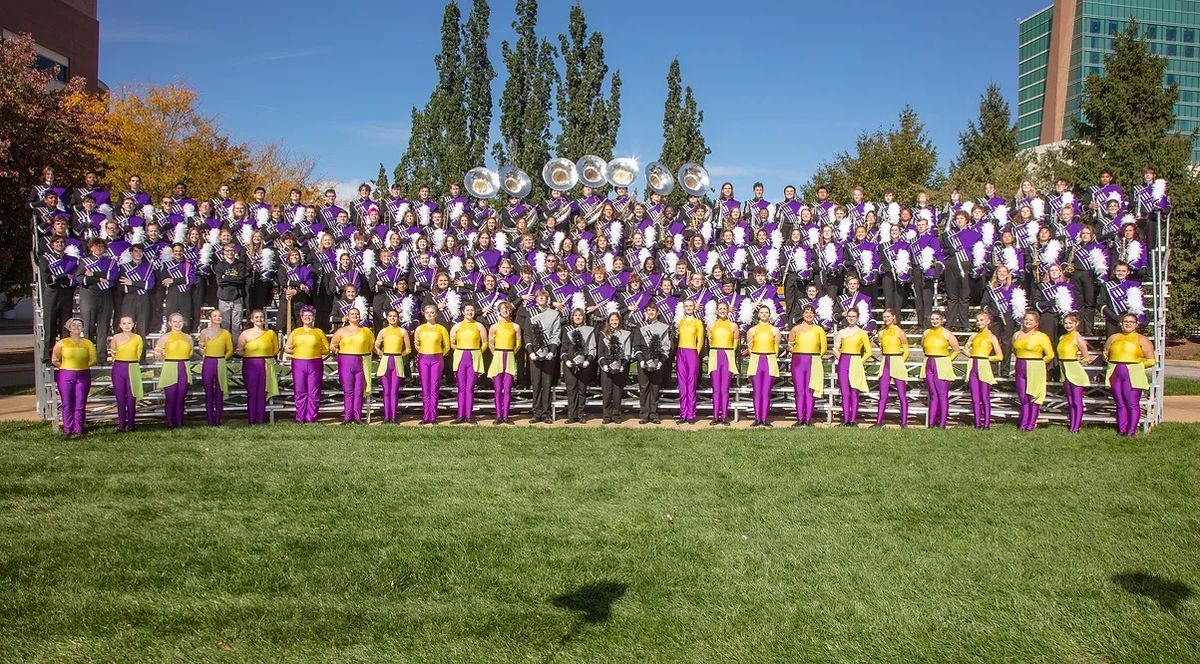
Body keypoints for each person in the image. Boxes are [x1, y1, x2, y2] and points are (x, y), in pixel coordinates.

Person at [1104, 313, 1156, 436]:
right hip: (1115, 372)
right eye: (1125, 321)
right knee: (1120, 403)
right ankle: (1121, 430)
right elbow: (1106, 352)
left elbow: (1151, 360)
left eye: (1131, 322)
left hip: (1132, 374)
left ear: (1136, 324)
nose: (1128, 324)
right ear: (1121, 323)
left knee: (1132, 403)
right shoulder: (1114, 337)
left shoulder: (1142, 339)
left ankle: (1131, 431)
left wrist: (1136, 366)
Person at [330, 306, 374, 425]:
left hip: (361, 360)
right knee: (348, 390)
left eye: (357, 314)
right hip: (346, 361)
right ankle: (347, 416)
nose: (355, 315)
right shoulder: (341, 331)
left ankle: (358, 416)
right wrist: (340, 353)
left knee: (359, 390)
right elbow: (333, 345)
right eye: (352, 314)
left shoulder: (367, 331)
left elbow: (371, 346)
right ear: (348, 317)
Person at [51, 318, 95, 436]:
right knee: (67, 403)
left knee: (80, 403)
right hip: (66, 374)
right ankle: (67, 429)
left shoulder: (88, 343)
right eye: (73, 325)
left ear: (83, 328)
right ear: (69, 328)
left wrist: (82, 367)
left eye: (79, 325)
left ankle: (79, 429)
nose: (76, 327)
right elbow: (54, 359)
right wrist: (65, 367)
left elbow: (93, 359)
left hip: (83, 374)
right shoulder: (62, 343)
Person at [285, 305, 329, 423]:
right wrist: (298, 349)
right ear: (301, 317)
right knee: (300, 390)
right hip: (299, 362)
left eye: (310, 316)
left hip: (314, 362)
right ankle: (300, 417)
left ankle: (311, 417)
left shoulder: (318, 332)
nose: (307, 318)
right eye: (305, 316)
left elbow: (326, 349)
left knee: (313, 391)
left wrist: (315, 350)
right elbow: (287, 348)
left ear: (313, 317)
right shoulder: (296, 332)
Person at [1012, 311, 1055, 431]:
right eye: (1026, 319)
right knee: (1023, 396)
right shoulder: (1017, 334)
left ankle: (1031, 423)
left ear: (1036, 323)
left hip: (1035, 365)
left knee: (1033, 395)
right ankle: (1023, 423)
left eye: (1031, 320)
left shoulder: (1042, 336)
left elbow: (1050, 355)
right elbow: (1015, 351)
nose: (1028, 322)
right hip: (1020, 364)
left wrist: (1039, 364)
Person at [237, 309, 280, 425]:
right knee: (252, 393)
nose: (259, 319)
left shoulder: (270, 333)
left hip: (265, 364)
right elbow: (240, 350)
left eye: (261, 317)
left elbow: (275, 350)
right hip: (250, 365)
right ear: (252, 320)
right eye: (256, 317)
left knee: (262, 393)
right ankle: (251, 419)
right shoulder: (245, 334)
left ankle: (260, 419)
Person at [633, 301, 672, 424]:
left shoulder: (663, 326)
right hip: (643, 361)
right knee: (644, 388)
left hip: (657, 361)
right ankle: (644, 415)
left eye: (653, 310)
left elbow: (666, 346)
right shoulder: (640, 326)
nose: (651, 312)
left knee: (655, 388)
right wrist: (641, 361)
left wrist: (661, 361)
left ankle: (654, 414)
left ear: (657, 312)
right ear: (646, 312)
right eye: (649, 310)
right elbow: (636, 345)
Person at [920, 312, 961, 429]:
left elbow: (956, 350)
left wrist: (947, 361)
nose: (934, 321)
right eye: (932, 319)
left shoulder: (947, 333)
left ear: (942, 320)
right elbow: (924, 346)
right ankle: (931, 423)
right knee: (932, 394)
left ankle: (942, 423)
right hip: (929, 363)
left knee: (942, 394)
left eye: (937, 319)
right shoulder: (926, 332)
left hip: (942, 364)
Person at [788, 305, 826, 427]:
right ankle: (799, 419)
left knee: (810, 390)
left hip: (813, 359)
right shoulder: (796, 329)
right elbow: (790, 344)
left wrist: (816, 357)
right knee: (799, 390)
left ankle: (808, 419)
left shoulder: (819, 329)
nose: (809, 315)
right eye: (806, 312)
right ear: (802, 314)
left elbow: (824, 348)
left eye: (811, 313)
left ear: (814, 315)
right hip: (798, 360)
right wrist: (793, 350)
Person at [832, 307, 872, 426]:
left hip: (855, 360)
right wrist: (841, 358)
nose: (851, 318)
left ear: (857, 318)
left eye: (854, 316)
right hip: (844, 360)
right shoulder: (841, 332)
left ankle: (853, 419)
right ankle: (846, 420)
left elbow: (869, 351)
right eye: (849, 316)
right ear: (846, 317)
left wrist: (860, 362)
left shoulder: (862, 333)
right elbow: (835, 348)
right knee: (844, 392)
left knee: (854, 391)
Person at [964, 310, 1003, 430]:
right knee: (975, 397)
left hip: (984, 366)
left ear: (988, 321)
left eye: (982, 320)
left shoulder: (991, 337)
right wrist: (968, 354)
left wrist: (986, 358)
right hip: (973, 366)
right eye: (977, 320)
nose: (979, 322)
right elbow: (965, 348)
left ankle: (986, 423)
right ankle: (977, 423)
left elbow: (1000, 356)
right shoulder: (974, 336)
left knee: (984, 396)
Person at [154, 312, 194, 429]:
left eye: (180, 321)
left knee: (181, 398)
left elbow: (190, 352)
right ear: (170, 323)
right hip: (170, 367)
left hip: (183, 367)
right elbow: (157, 353)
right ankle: (170, 423)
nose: (178, 324)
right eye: (175, 321)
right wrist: (166, 359)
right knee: (170, 398)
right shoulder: (165, 337)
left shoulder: (188, 337)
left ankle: (180, 422)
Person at [450, 303, 488, 424]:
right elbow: (452, 343)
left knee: (470, 388)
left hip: (474, 357)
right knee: (461, 388)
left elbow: (485, 343)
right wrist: (461, 350)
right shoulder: (457, 326)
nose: (470, 312)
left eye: (472, 310)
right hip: (461, 357)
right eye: (467, 310)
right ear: (463, 312)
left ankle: (469, 415)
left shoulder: (479, 326)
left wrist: (476, 352)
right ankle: (460, 415)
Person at [744, 304, 781, 427]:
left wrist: (772, 358)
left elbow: (776, 347)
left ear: (770, 314)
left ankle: (764, 418)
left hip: (769, 359)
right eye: (762, 312)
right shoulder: (752, 330)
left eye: (766, 312)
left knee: (766, 391)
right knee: (757, 391)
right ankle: (757, 418)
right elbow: (750, 347)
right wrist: (754, 356)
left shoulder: (775, 330)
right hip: (756, 359)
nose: (764, 314)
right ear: (758, 314)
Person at [414, 304, 451, 424]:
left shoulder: (441, 328)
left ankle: (433, 416)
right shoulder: (420, 328)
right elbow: (416, 343)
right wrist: (422, 352)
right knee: (425, 388)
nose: (429, 314)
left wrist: (440, 354)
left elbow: (447, 345)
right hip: (423, 359)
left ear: (436, 314)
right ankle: (426, 416)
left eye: (432, 312)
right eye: (427, 312)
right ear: (424, 314)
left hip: (437, 359)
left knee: (434, 388)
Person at [873, 308, 910, 428]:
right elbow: (882, 348)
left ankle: (904, 422)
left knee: (901, 394)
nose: (886, 319)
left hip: (896, 360)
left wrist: (900, 362)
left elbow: (906, 351)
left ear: (894, 317)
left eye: (888, 316)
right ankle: (878, 422)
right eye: (884, 317)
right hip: (885, 362)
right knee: (883, 394)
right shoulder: (882, 333)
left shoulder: (899, 332)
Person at [374, 309, 412, 424]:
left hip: (397, 361)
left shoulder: (402, 331)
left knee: (394, 391)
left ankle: (394, 417)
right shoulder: (383, 331)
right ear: (387, 318)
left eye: (395, 316)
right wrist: (381, 353)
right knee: (386, 391)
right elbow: (376, 345)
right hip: (385, 361)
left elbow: (408, 349)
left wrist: (399, 355)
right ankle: (386, 416)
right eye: (390, 316)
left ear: (398, 318)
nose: (392, 318)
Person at [487, 301, 521, 425]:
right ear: (499, 311)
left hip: (510, 356)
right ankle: (498, 415)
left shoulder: (515, 326)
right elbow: (491, 344)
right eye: (502, 309)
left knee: (507, 389)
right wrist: (496, 354)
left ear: (510, 311)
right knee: (497, 389)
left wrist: (511, 353)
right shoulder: (494, 326)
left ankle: (506, 415)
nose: (505, 311)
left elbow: (518, 343)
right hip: (498, 356)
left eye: (507, 309)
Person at [196, 309, 232, 426]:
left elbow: (230, 350)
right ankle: (209, 419)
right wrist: (203, 350)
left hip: (220, 361)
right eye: (215, 316)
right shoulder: (204, 332)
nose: (217, 318)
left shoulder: (226, 333)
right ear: (210, 318)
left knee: (219, 392)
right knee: (209, 392)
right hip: (208, 362)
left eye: (219, 316)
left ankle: (218, 419)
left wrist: (222, 359)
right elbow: (201, 347)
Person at [561, 307, 596, 424]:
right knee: (571, 390)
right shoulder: (567, 330)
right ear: (572, 317)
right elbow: (563, 349)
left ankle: (581, 415)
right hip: (570, 364)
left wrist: (588, 361)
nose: (578, 317)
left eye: (580, 315)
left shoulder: (590, 330)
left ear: (583, 318)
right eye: (575, 315)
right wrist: (566, 361)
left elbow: (592, 349)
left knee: (582, 390)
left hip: (584, 364)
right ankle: (571, 415)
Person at [108, 315, 143, 432]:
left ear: (133, 325)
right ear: (120, 325)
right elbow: (113, 353)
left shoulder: (138, 338)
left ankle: (132, 424)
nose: (127, 326)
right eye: (124, 323)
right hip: (118, 368)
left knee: (131, 397)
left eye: (129, 323)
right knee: (120, 398)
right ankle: (121, 425)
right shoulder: (116, 338)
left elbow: (138, 354)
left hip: (133, 367)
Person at [1058, 312, 1092, 433]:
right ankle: (1072, 424)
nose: (1068, 325)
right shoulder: (1062, 337)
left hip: (1074, 370)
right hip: (1064, 369)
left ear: (1076, 323)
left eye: (1070, 323)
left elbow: (1086, 357)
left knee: (1077, 400)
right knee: (1070, 400)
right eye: (1066, 323)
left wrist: (1078, 361)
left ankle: (1076, 426)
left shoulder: (1078, 337)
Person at [597, 311, 633, 424]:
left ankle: (617, 416)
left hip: (619, 367)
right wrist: (604, 365)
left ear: (619, 321)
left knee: (617, 393)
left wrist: (623, 366)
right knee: (607, 392)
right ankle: (606, 416)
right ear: (608, 321)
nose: (614, 322)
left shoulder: (625, 334)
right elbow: (600, 352)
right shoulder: (603, 334)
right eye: (612, 320)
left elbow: (627, 353)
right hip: (606, 368)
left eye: (616, 320)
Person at [706, 302, 739, 426]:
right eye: (720, 309)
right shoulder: (711, 326)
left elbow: (735, 344)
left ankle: (724, 416)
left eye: (724, 308)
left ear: (728, 310)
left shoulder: (733, 326)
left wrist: (728, 353)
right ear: (716, 311)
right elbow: (710, 341)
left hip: (727, 356)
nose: (722, 311)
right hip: (715, 355)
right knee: (716, 388)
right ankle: (715, 416)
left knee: (725, 388)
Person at [675, 299, 705, 424]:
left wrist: (695, 355)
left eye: (690, 306)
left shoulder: (698, 322)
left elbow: (701, 341)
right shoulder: (680, 322)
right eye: (686, 306)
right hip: (681, 352)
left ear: (694, 307)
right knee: (682, 385)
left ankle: (691, 414)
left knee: (691, 384)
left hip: (692, 353)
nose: (688, 308)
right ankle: (683, 414)